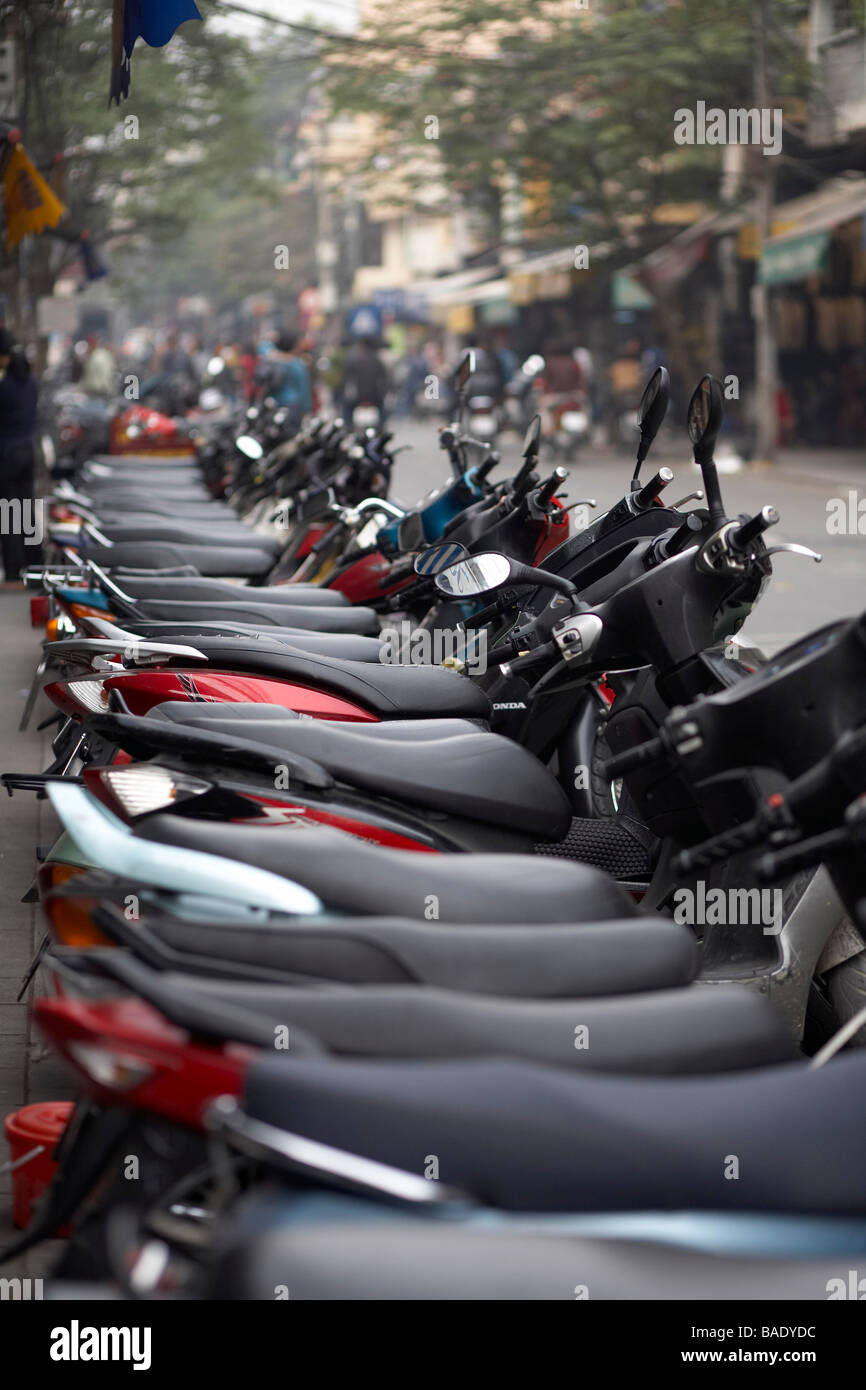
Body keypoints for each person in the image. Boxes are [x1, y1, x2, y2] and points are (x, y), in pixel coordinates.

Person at [0, 328, 40, 585]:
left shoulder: (4, 388)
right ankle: (34, 564)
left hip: (7, 454)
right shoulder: (32, 384)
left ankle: (14, 570)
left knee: (8, 511)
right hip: (28, 450)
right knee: (27, 509)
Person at [260, 333, 312, 425]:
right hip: (292, 406)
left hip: (272, 404)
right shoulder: (297, 365)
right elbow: (303, 390)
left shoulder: (273, 361)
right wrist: (306, 410)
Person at [338, 337, 389, 421]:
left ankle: (347, 427)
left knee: (346, 412)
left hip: (357, 397)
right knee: (383, 413)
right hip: (374, 396)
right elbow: (384, 380)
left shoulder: (352, 360)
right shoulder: (378, 362)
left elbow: (345, 380)